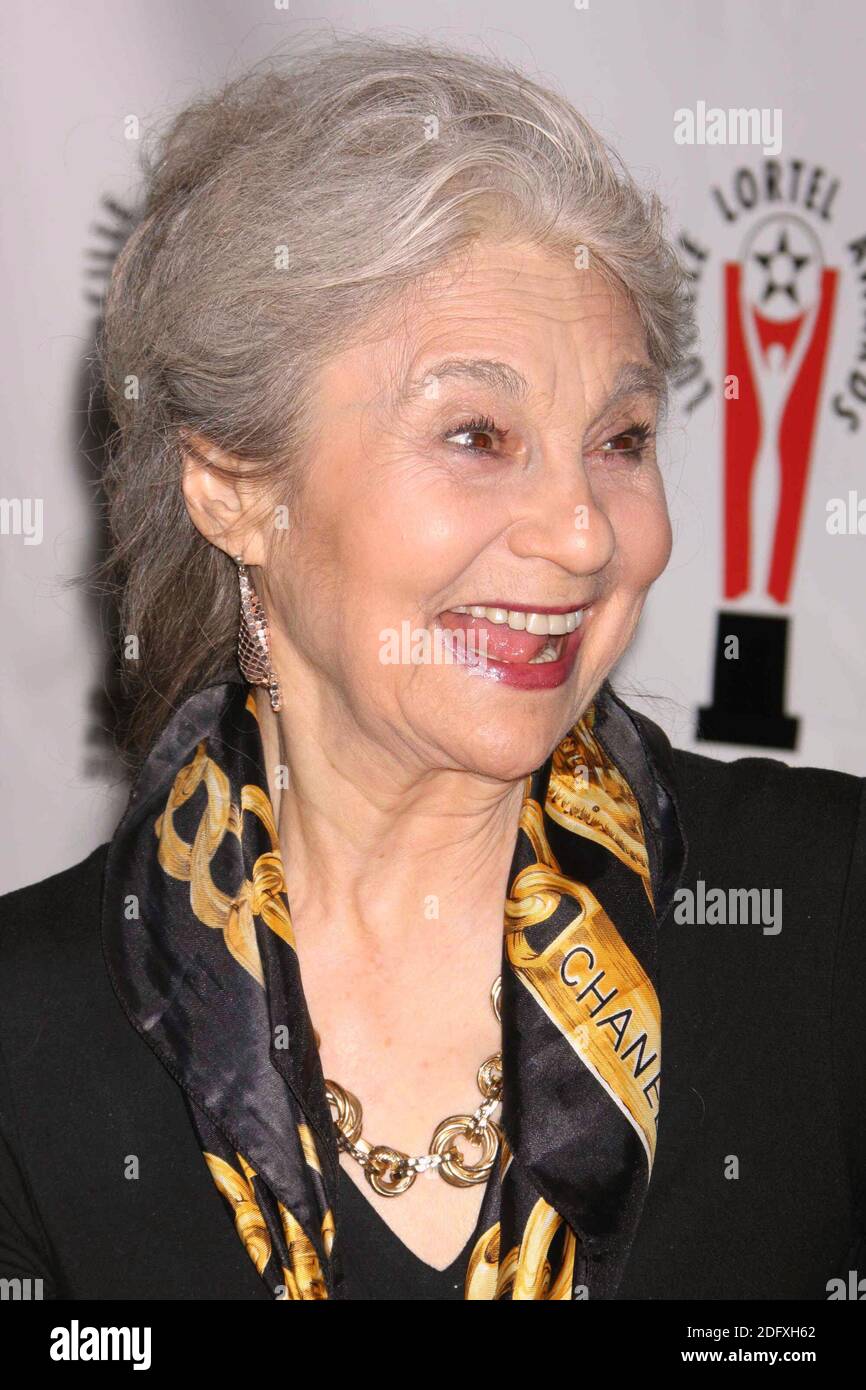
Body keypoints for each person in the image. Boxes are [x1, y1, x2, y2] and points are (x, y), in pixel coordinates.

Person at [0, 34, 863, 1302]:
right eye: (477, 434)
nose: (581, 531)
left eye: (618, 439)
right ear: (234, 488)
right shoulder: (31, 1039)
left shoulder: (826, 915)